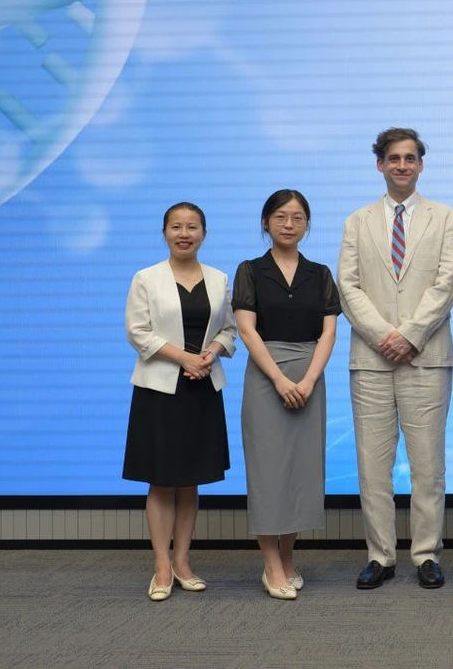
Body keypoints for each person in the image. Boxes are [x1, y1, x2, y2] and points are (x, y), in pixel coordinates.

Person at [338, 127, 453, 590]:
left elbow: (447, 284)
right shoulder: (357, 221)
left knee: (427, 465)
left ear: (421, 165)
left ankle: (427, 554)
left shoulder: (444, 217)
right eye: (394, 158)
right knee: (373, 466)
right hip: (370, 360)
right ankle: (380, 556)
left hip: (425, 357)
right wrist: (383, 336)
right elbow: (348, 286)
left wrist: (409, 336)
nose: (402, 165)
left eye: (410, 158)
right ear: (380, 165)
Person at [122, 202, 237, 601]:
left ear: (204, 233)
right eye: (176, 227)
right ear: (164, 232)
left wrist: (210, 354)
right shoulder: (146, 278)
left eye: (192, 227)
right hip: (159, 389)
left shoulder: (219, 279)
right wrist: (184, 358)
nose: (184, 234)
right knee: (161, 479)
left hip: (202, 387)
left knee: (190, 479)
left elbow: (229, 330)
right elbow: (138, 332)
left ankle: (183, 562)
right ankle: (161, 566)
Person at [233, 190, 340, 600]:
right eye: (280, 216)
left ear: (307, 224)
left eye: (297, 217)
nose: (289, 224)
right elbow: (247, 331)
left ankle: (288, 556)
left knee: (301, 471)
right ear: (266, 222)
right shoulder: (250, 271)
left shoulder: (320, 273)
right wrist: (279, 380)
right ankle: (270, 563)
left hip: (310, 376)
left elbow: (328, 333)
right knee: (268, 472)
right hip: (267, 377)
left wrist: (310, 379)